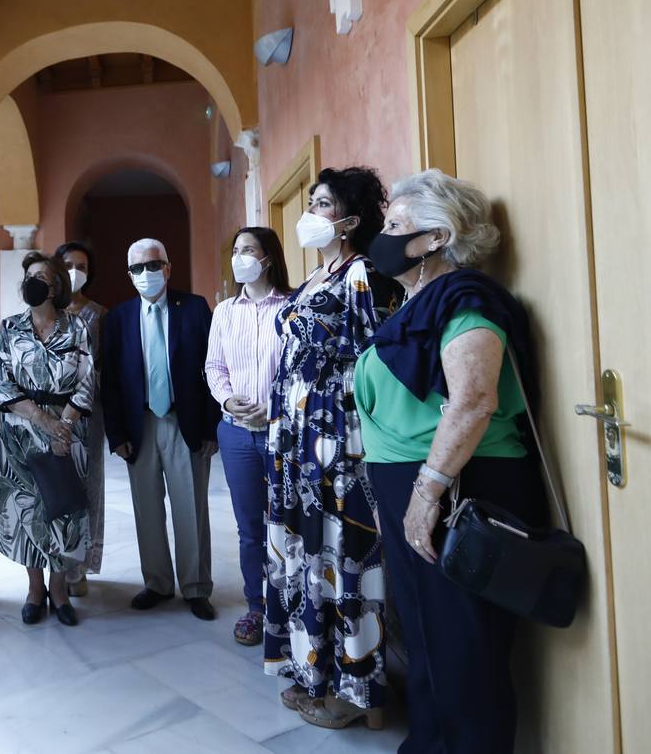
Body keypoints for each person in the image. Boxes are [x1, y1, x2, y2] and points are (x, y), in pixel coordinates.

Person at [358, 169, 547, 753]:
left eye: (396, 226)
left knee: (466, 652)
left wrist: (425, 495)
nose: (383, 237)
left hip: (458, 489)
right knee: (429, 640)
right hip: (420, 486)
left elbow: (473, 400)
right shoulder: (421, 299)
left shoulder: (466, 300)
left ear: (437, 237)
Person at [265, 166, 399, 730]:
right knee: (307, 553)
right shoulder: (317, 278)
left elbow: (375, 360)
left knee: (345, 554)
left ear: (351, 219)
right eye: (313, 201)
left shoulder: (363, 273)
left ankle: (359, 690)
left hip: (337, 439)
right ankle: (315, 669)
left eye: (322, 204)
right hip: (297, 440)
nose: (311, 214)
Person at [101, 239, 220, 621]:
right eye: (136, 269)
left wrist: (211, 428)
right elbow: (111, 382)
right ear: (129, 274)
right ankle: (157, 582)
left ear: (167, 268)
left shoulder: (196, 308)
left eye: (152, 266)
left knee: (191, 508)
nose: (145, 274)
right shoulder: (118, 318)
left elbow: (213, 369)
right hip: (139, 426)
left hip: (183, 421)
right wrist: (116, 434)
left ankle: (196, 587)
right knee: (146, 508)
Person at [0, 252, 95, 626]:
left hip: (68, 431)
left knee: (62, 511)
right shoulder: (11, 328)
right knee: (27, 514)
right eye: (29, 276)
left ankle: (60, 590)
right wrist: (41, 419)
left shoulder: (76, 327)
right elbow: (1, 382)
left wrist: (62, 425)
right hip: (21, 434)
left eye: (42, 277)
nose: (34, 282)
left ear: (55, 287)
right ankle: (35, 591)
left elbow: (86, 380)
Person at [204, 227, 290, 646]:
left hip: (284, 433)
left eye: (248, 250)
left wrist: (278, 407)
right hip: (237, 435)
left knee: (288, 522)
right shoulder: (224, 312)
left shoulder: (293, 308)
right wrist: (227, 401)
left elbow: (300, 368)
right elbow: (214, 367)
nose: (240, 257)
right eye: (235, 250)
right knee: (249, 527)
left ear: (268, 258)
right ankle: (256, 607)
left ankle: (291, 603)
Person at [56, 241, 107, 596]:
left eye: (83, 265)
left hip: (89, 415)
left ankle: (80, 568)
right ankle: (55, 567)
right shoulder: (43, 312)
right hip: (48, 416)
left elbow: (106, 368)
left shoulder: (100, 315)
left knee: (89, 492)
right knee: (54, 491)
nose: (76, 270)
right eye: (69, 263)